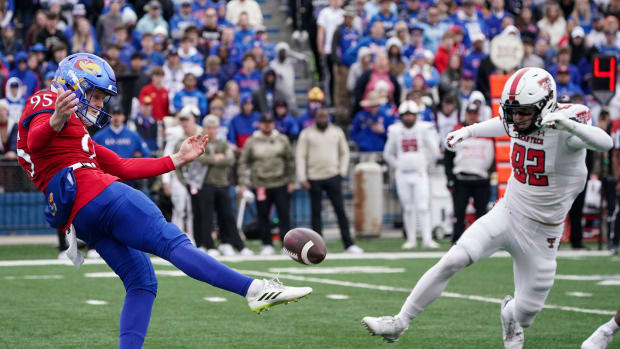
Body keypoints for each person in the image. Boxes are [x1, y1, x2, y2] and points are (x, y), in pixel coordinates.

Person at [15, 53, 312, 348]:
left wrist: (177, 159)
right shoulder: (46, 101)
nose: (99, 104)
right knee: (172, 242)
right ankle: (254, 289)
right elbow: (35, 140)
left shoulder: (72, 134)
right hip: (98, 194)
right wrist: (55, 119)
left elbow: (121, 165)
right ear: (73, 85)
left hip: (83, 218)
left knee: (142, 281)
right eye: (95, 96)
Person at [361, 67, 613, 347]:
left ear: (545, 107)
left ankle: (510, 316)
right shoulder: (518, 118)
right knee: (454, 259)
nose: (516, 118)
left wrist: (570, 126)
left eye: (524, 112)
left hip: (544, 233)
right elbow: (502, 124)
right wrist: (468, 131)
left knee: (526, 313)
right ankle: (399, 322)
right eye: (513, 110)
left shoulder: (567, 126)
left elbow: (605, 142)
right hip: (508, 213)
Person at [180, 114, 254, 257]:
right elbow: (198, 158)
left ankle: (233, 244)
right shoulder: (200, 142)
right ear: (204, 128)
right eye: (209, 127)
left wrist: (210, 160)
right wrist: (215, 158)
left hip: (222, 183)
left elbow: (230, 159)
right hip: (204, 184)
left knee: (227, 215)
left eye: (214, 127)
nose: (212, 130)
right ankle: (207, 244)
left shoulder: (222, 143)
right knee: (205, 215)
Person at [296, 107, 363, 254]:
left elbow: (344, 152)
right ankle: (317, 246)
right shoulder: (307, 134)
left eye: (324, 116)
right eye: (319, 116)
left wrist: (342, 172)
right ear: (315, 118)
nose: (322, 119)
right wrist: (302, 177)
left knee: (340, 210)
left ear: (328, 117)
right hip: (314, 177)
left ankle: (348, 243)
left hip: (333, 176)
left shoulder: (336, 132)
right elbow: (300, 156)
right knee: (316, 213)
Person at [383, 101, 440, 249]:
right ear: (401, 116)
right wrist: (398, 165)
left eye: (410, 115)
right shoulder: (395, 130)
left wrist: (424, 164)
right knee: (408, 207)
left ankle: (427, 238)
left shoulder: (423, 128)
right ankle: (411, 239)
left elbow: (434, 151)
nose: (408, 118)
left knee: (422, 206)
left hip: (419, 173)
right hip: (403, 174)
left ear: (416, 116)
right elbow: (388, 154)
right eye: (405, 115)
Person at [238, 114, 295, 256]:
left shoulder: (282, 139)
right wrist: (242, 182)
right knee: (262, 214)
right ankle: (266, 243)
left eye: (270, 122)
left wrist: (292, 180)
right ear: (260, 124)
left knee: (284, 214)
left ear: (273, 123)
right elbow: (244, 162)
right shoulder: (252, 141)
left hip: (280, 181)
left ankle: (286, 245)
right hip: (260, 183)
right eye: (264, 123)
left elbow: (290, 160)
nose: (267, 125)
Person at [444, 103, 495, 244]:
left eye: (474, 113)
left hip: (481, 179)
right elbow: (448, 157)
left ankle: (481, 241)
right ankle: (457, 240)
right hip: (462, 178)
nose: (472, 116)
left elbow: (493, 156)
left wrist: (491, 173)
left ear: (478, 115)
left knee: (482, 214)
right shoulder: (457, 131)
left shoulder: (486, 132)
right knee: (458, 212)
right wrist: (450, 178)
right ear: (465, 114)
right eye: (470, 113)